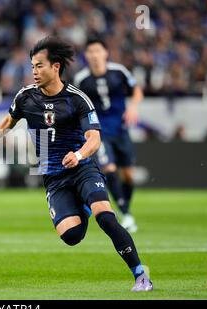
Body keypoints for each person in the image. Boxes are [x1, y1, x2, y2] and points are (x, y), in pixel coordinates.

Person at [0, 36, 152, 291]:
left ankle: (140, 275)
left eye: (40, 66)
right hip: (53, 176)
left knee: (105, 216)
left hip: (82, 167)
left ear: (56, 66)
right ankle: (83, 205)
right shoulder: (26, 97)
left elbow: (94, 138)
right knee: (71, 236)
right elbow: (10, 120)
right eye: (32, 67)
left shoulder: (77, 99)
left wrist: (80, 155)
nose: (35, 72)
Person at [73, 38, 144, 233]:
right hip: (99, 133)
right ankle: (126, 214)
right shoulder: (81, 79)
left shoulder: (119, 71)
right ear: (86, 56)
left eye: (98, 51)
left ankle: (125, 209)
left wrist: (133, 107)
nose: (94, 55)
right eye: (90, 52)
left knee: (128, 175)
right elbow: (76, 105)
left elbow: (136, 90)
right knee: (109, 169)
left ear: (105, 53)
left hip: (121, 130)